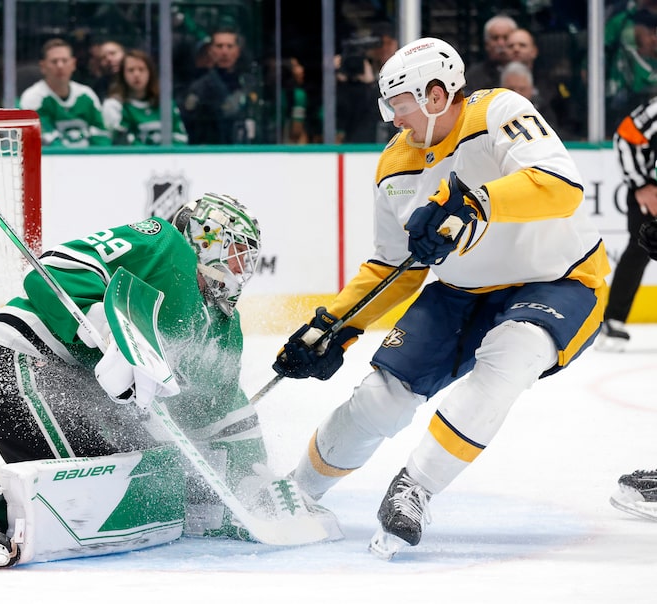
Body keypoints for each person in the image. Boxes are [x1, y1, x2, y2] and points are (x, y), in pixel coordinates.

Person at [272, 37, 610, 558]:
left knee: (511, 357)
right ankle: (295, 493)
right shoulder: (393, 166)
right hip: (460, 290)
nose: (393, 120)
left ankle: (416, 488)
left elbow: (562, 187)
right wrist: (335, 323)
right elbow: (393, 266)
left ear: (434, 95)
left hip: (558, 279)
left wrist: (476, 201)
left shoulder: (500, 111)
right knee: (379, 400)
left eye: (399, 105)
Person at [0, 193, 339, 567]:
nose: (243, 268)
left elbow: (218, 408)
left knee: (158, 473)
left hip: (63, 391)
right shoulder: (164, 242)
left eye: (249, 259)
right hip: (11, 371)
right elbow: (56, 268)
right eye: (238, 253)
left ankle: (13, 495)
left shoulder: (224, 328)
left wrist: (253, 479)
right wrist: (102, 329)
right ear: (208, 239)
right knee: (119, 479)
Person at [595, 97, 657, 350]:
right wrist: (641, 184)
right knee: (642, 246)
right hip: (650, 191)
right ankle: (613, 320)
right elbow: (625, 136)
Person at [19, 38, 111, 148]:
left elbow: (101, 135)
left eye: (64, 61)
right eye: (54, 61)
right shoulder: (33, 98)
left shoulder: (86, 95)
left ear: (73, 64)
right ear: (43, 66)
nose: (60, 66)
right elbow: (43, 140)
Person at [180, 26, 258, 144]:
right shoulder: (199, 87)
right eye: (219, 46)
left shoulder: (249, 83)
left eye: (229, 46)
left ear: (237, 51)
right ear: (211, 51)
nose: (224, 52)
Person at [102, 48, 188, 146]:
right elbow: (121, 142)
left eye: (141, 69)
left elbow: (180, 138)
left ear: (150, 73)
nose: (137, 74)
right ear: (123, 75)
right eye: (131, 70)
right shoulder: (114, 106)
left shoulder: (166, 104)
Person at [606, 2, 657, 136]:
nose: (653, 39)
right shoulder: (628, 53)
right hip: (623, 103)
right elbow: (646, 81)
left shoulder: (649, 57)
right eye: (650, 33)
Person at [464, 14, 517, 92]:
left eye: (506, 37)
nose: (501, 43)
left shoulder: (529, 70)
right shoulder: (474, 76)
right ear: (487, 44)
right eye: (495, 38)